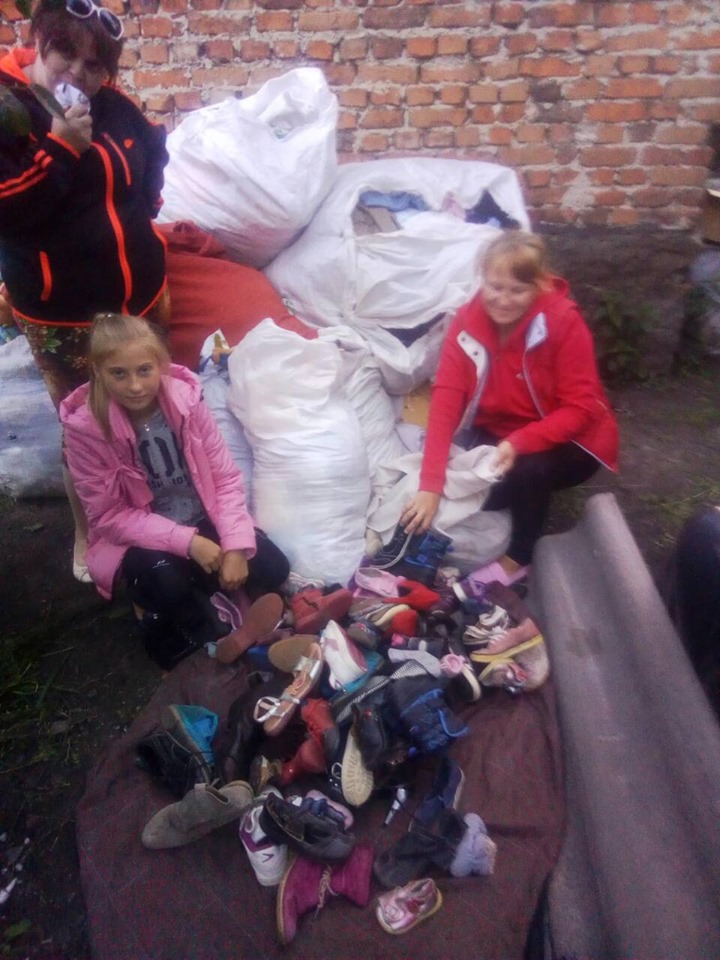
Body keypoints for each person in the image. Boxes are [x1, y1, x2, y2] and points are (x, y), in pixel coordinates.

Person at [0, 0, 169, 581]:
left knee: (149, 414)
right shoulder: (11, 111)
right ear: (39, 41)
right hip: (64, 316)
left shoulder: (114, 106)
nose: (78, 72)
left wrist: (146, 213)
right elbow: (8, 211)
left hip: (139, 302)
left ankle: (154, 515)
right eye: (65, 53)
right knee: (88, 433)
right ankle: (89, 531)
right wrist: (60, 148)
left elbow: (151, 152)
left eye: (95, 65)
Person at [59, 313, 290, 669]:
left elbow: (225, 478)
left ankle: (213, 593)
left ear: (161, 365)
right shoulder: (86, 429)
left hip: (200, 516)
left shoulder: (187, 403)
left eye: (144, 370)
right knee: (170, 589)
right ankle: (159, 604)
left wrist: (236, 545)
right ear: (97, 372)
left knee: (274, 567)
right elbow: (108, 517)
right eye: (118, 373)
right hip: (141, 537)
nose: (135, 386)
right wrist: (189, 543)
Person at [401, 231, 619, 586]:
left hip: (573, 440)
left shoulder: (563, 322)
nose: (503, 300)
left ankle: (519, 556)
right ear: (483, 279)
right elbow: (445, 401)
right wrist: (430, 484)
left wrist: (520, 442)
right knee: (472, 482)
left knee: (528, 470)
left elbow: (581, 409)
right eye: (495, 287)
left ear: (539, 285)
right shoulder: (466, 323)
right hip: (501, 430)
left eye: (518, 290)